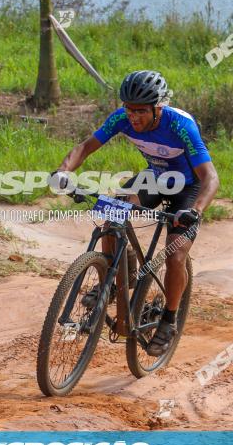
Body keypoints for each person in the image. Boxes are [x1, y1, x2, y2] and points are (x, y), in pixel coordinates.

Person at [51, 70, 219, 356]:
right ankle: (117, 275)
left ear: (158, 107)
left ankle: (168, 319)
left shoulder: (180, 125)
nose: (133, 117)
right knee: (114, 215)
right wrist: (64, 171)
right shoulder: (120, 118)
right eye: (129, 110)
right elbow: (86, 147)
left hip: (187, 189)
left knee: (176, 254)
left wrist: (195, 211)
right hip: (155, 178)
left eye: (141, 111)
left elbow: (210, 177)